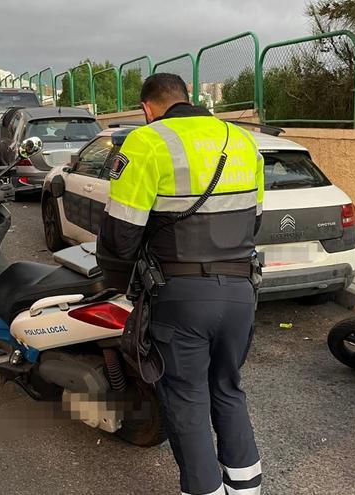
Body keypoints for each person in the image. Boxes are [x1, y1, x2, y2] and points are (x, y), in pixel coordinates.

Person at [96, 73, 264, 495]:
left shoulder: (147, 141)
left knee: (186, 397)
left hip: (182, 295)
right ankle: (246, 488)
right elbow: (254, 219)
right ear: (187, 98)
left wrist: (117, 284)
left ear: (148, 108)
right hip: (242, 291)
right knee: (227, 387)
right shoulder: (242, 141)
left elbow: (121, 234)